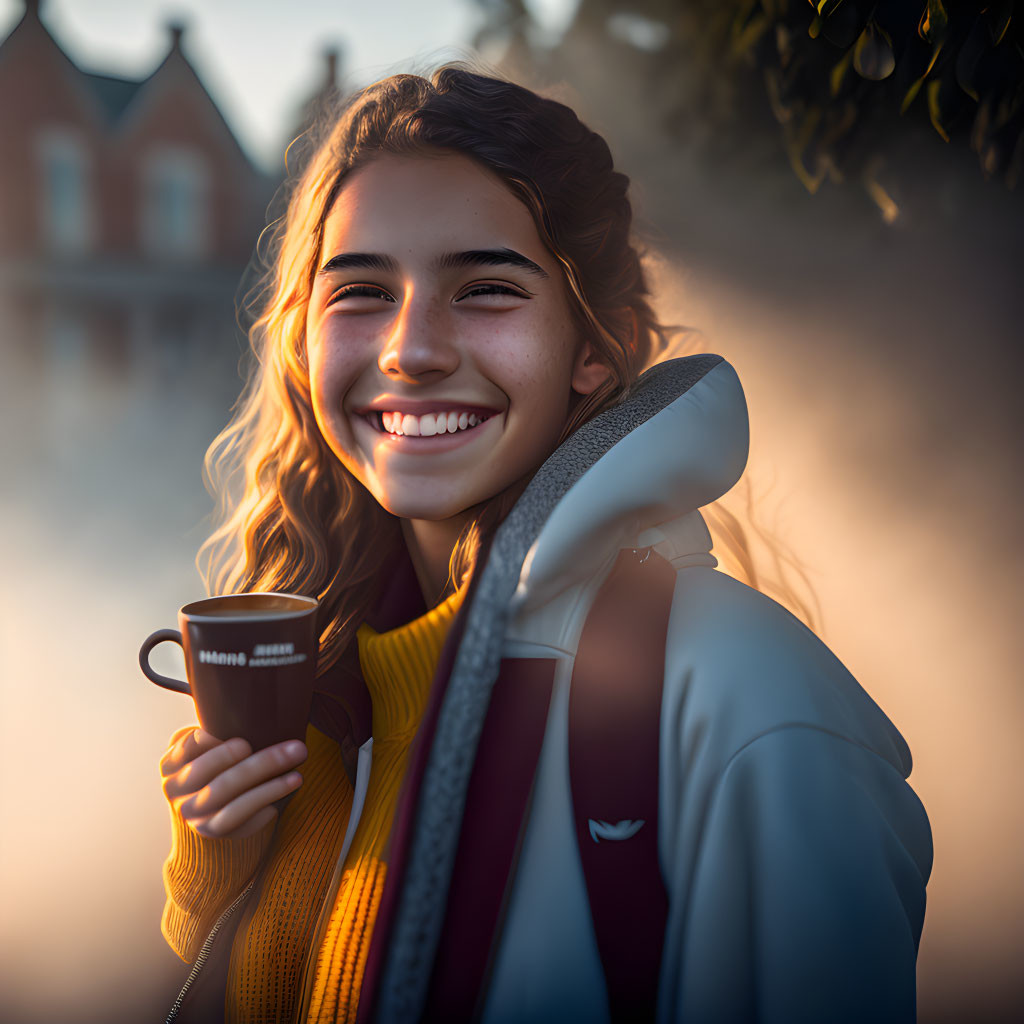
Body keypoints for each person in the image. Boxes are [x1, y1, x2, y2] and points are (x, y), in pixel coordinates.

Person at [157, 64, 932, 1024]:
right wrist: (219, 876)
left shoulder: (753, 704)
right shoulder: (320, 696)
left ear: (595, 348)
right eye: (359, 291)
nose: (411, 349)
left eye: (485, 288)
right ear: (303, 343)